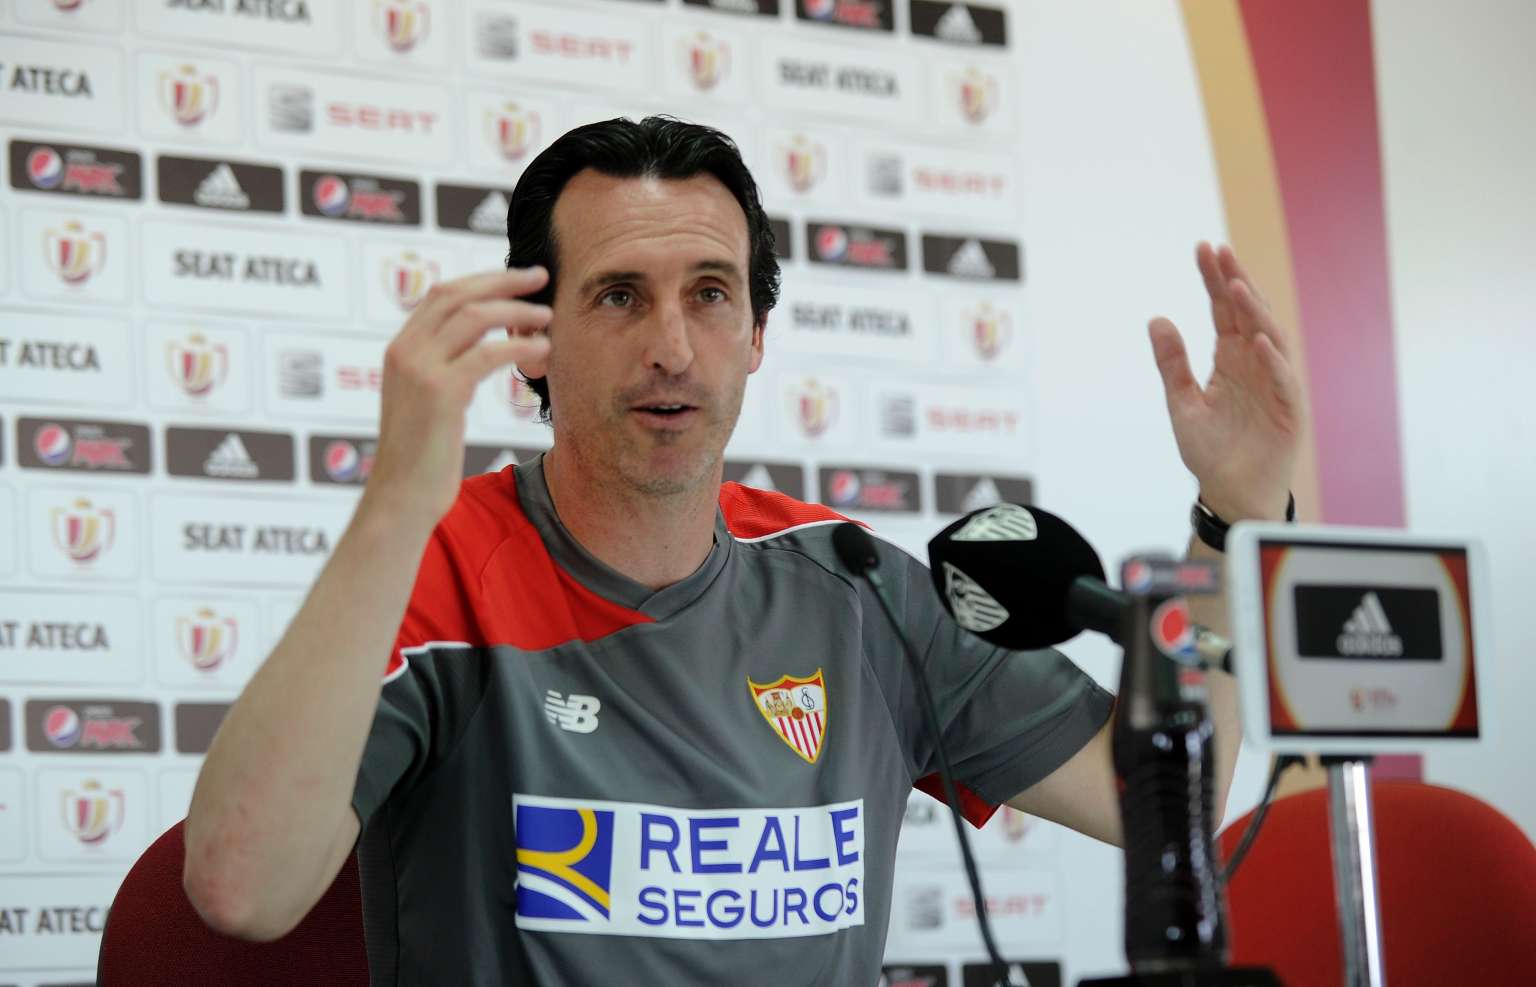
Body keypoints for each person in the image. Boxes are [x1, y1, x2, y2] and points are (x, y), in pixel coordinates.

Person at [183, 117, 1305, 985]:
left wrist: (1235, 513)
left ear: (758, 334)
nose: (672, 347)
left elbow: (1171, 798)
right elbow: (241, 889)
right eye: (620, 297)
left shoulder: (859, 588)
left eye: (710, 295)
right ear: (534, 341)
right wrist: (393, 504)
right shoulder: (437, 566)